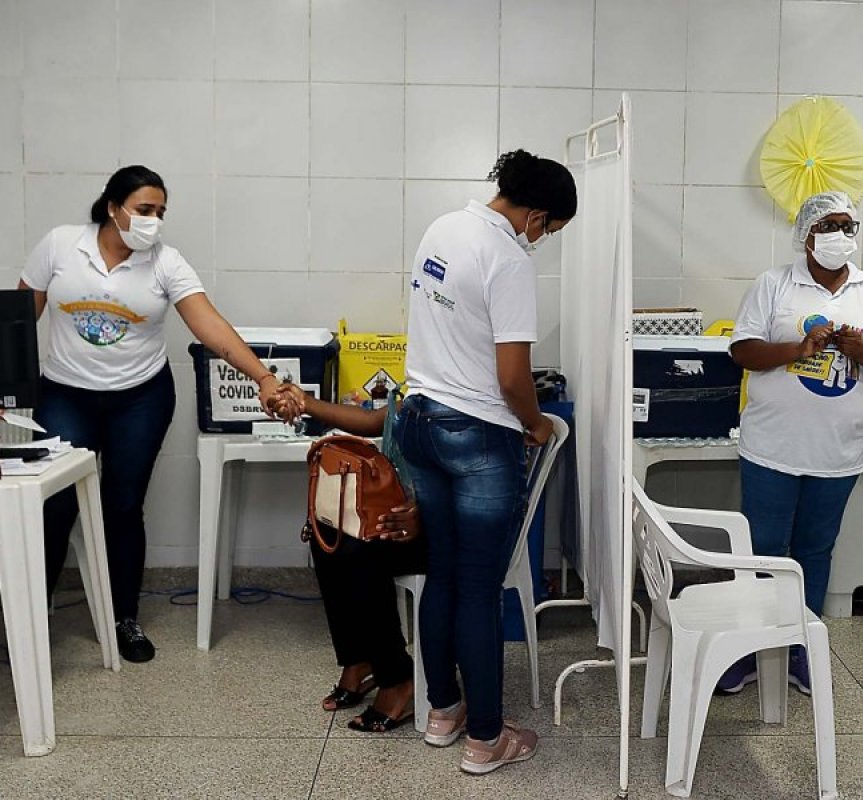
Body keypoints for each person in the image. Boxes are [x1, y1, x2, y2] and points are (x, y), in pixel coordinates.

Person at [289, 149, 575, 773]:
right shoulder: (508, 260)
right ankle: (486, 739)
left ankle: (442, 712)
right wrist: (533, 424)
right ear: (538, 214)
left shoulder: (442, 229)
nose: (544, 240)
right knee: (478, 589)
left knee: (444, 576)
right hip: (477, 437)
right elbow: (512, 376)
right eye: (549, 229)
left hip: (420, 422)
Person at [16, 165, 286, 663]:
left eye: (161, 212)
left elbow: (210, 326)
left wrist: (263, 377)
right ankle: (29, 619)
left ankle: (124, 619)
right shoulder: (59, 246)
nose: (153, 221)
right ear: (113, 207)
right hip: (65, 395)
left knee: (122, 506)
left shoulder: (166, 262)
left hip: (139, 398)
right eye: (144, 210)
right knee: (53, 505)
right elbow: (15, 322)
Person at [721, 191, 863, 695]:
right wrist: (798, 348)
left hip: (838, 451)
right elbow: (741, 350)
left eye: (848, 226)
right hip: (771, 447)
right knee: (763, 550)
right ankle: (749, 650)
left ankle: (799, 648)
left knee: (815, 550)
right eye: (828, 225)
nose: (840, 235)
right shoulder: (774, 284)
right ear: (806, 234)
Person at [271, 384, 424, 732]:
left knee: (362, 548)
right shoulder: (428, 385)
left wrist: (424, 512)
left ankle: (397, 677)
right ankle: (360, 659)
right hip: (416, 512)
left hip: (450, 526)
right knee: (329, 531)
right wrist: (306, 403)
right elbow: (373, 421)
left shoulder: (470, 395)